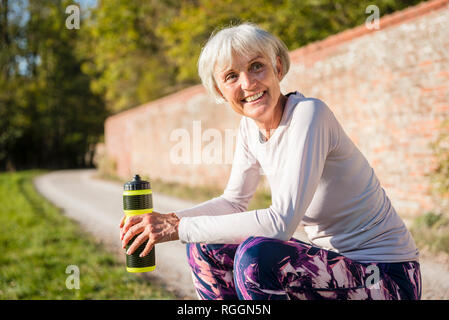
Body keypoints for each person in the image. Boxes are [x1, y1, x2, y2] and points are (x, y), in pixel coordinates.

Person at [119, 22, 421, 300]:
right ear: (221, 92)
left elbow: (281, 223)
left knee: (258, 258)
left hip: (386, 277)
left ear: (277, 67)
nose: (248, 83)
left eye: (256, 67)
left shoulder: (309, 114)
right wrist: (167, 221)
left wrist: (179, 228)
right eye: (231, 76)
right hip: (336, 269)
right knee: (206, 247)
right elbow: (234, 201)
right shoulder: (250, 129)